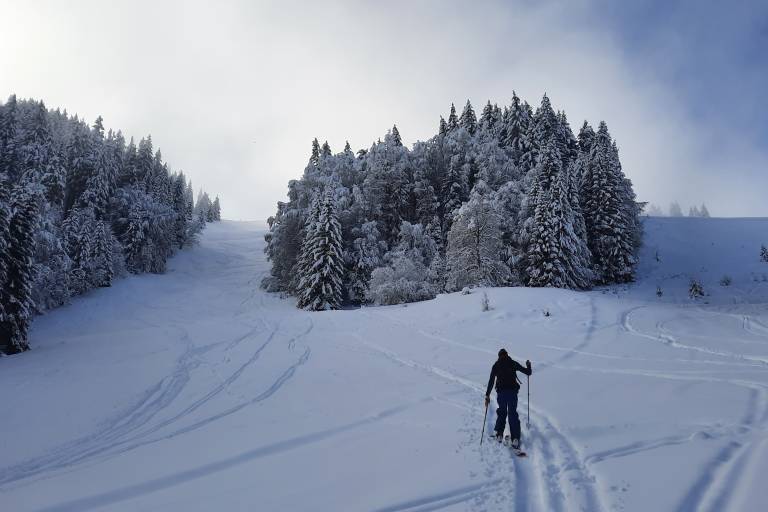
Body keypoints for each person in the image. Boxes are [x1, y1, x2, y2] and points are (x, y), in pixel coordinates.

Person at [484, 348, 532, 448]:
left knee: (502, 412)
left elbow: (491, 381)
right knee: (512, 413)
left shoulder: (496, 365)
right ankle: (515, 438)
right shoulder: (512, 362)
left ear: (499, 356)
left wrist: (487, 395)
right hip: (512, 393)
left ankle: (499, 434)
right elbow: (528, 372)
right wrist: (528, 365)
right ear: (507, 355)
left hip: (501, 393)